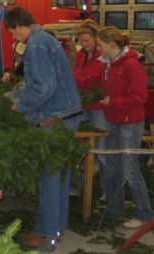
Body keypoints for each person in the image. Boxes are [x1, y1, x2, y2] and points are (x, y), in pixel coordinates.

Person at [4, 7, 82, 252]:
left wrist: (21, 104)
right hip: (67, 114)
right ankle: (56, 228)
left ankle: (46, 235)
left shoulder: (36, 46)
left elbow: (44, 89)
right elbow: (44, 82)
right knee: (59, 175)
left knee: (49, 176)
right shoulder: (46, 39)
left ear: (18, 26)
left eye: (12, 34)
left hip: (55, 119)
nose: (14, 39)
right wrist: (14, 93)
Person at [97, 26, 152, 229]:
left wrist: (113, 101)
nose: (98, 48)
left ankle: (144, 213)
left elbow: (140, 97)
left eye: (101, 45)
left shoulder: (131, 65)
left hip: (129, 123)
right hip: (113, 120)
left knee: (130, 170)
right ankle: (114, 210)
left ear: (111, 44)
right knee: (112, 168)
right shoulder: (110, 63)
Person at [73, 19, 107, 197]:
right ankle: (80, 188)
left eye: (87, 40)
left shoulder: (102, 57)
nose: (84, 44)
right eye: (81, 41)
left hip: (98, 108)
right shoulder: (81, 55)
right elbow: (80, 74)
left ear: (96, 38)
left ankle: (105, 192)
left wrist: (71, 76)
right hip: (83, 105)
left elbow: (89, 80)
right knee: (79, 149)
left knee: (101, 151)